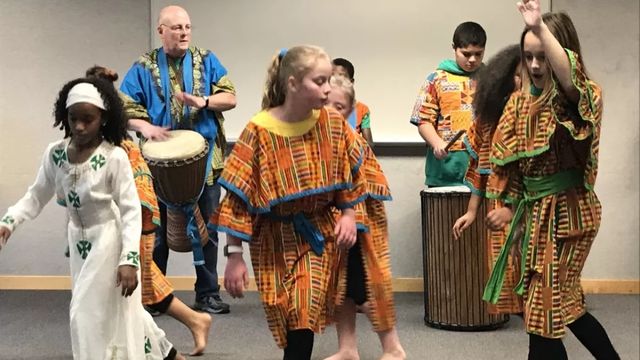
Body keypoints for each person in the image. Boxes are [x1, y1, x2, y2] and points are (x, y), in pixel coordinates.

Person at [0, 77, 183, 359]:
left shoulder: (114, 157)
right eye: (74, 118)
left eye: (88, 119)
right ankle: (165, 352)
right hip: (78, 244)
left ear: (104, 118)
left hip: (108, 238)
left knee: (83, 313)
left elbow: (131, 210)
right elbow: (37, 195)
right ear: (65, 116)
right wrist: (9, 221)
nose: (80, 126)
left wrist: (129, 259)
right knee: (112, 312)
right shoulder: (56, 154)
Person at [212, 45, 372, 360]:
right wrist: (233, 255)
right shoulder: (258, 131)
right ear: (293, 84)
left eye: (330, 80)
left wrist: (349, 215)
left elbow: (351, 176)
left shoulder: (334, 125)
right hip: (271, 239)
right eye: (320, 81)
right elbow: (237, 198)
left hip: (317, 235)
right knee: (284, 314)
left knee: (303, 310)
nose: (328, 89)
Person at [481, 2, 619, 358]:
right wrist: (509, 209)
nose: (535, 65)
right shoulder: (517, 105)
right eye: (528, 57)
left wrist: (540, 27)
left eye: (543, 55)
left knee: (544, 303)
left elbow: (571, 85)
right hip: (535, 216)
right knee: (560, 304)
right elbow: (507, 165)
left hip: (570, 217)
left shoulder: (583, 97)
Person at [82, 64, 213, 356]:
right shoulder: (103, 140)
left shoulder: (120, 148)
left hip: (133, 227)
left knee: (137, 291)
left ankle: (174, 342)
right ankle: (192, 324)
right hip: (118, 229)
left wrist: (135, 233)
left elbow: (136, 197)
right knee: (144, 287)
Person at [120, 5, 236, 314]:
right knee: (154, 232)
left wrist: (204, 101)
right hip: (157, 165)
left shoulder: (207, 59)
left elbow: (231, 97)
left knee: (209, 230)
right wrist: (145, 126)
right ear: (161, 31)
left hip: (205, 160)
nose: (184, 32)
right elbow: (124, 107)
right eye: (176, 27)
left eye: (187, 27)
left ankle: (208, 293)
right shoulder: (143, 67)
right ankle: (157, 295)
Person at [326, 74, 406, 360]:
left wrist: (354, 219)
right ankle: (347, 348)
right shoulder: (322, 139)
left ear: (349, 111)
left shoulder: (352, 140)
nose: (329, 112)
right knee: (341, 285)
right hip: (337, 221)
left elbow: (364, 186)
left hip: (363, 219)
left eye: (337, 107)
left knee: (367, 284)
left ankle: (393, 348)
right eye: (325, 104)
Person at [451, 44, 524, 316]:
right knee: (508, 288)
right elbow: (482, 169)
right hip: (498, 210)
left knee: (538, 290)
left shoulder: (539, 116)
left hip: (533, 208)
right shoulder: (488, 118)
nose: (524, 80)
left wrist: (514, 210)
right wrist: (471, 211)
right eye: (518, 74)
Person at [409, 21, 486, 187]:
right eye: (466, 54)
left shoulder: (491, 78)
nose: (472, 60)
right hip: (445, 169)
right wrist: (437, 143)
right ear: (454, 48)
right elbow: (423, 120)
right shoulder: (436, 79)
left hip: (482, 168)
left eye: (478, 54)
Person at [332, 58, 374, 145]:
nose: (336, 81)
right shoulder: (321, 107)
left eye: (342, 76)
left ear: (351, 82)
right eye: (332, 76)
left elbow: (369, 145)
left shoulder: (362, 109)